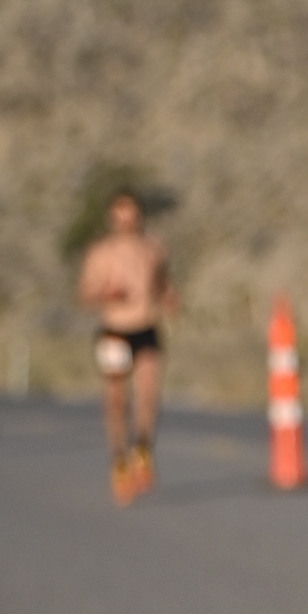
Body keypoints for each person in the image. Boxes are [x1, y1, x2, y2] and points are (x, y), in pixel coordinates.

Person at [77, 190, 177, 503]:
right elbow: (85, 294)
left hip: (146, 327)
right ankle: (119, 459)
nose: (125, 220)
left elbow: (161, 283)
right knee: (116, 400)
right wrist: (106, 294)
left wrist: (168, 298)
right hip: (115, 331)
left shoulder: (153, 248)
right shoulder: (101, 253)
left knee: (148, 392)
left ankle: (143, 448)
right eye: (119, 214)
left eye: (130, 213)